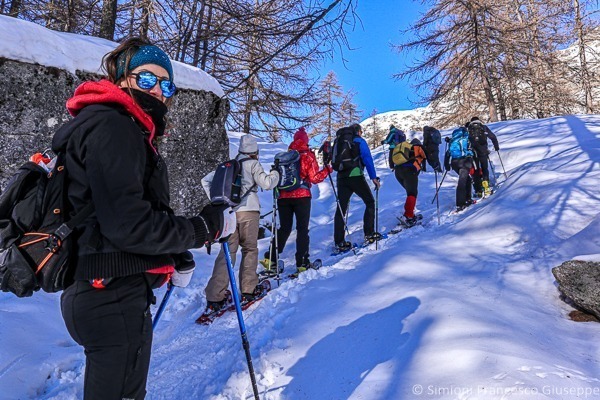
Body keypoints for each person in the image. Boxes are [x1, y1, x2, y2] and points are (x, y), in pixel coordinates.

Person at [55, 38, 234, 400]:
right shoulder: (115, 127)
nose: (158, 91)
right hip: (110, 296)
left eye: (166, 84)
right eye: (146, 79)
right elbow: (129, 227)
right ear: (122, 79)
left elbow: (114, 215)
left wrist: (170, 255)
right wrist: (204, 228)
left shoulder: (114, 126)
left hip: (100, 290)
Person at [202, 134, 279, 310]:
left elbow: (205, 180)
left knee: (228, 252)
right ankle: (248, 290)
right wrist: (275, 173)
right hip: (249, 212)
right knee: (249, 249)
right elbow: (267, 183)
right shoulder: (253, 164)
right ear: (255, 152)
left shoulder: (229, 165)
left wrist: (217, 200)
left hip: (229, 214)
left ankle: (215, 296)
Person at [263, 127, 332, 273]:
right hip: (302, 197)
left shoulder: (285, 156)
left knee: (284, 228)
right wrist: (327, 170)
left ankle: (270, 259)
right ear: (306, 141)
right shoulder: (307, 156)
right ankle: (302, 263)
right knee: (302, 229)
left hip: (283, 197)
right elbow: (314, 178)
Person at [333, 123, 381, 250]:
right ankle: (369, 234)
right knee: (370, 202)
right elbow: (367, 159)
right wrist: (373, 177)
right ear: (358, 131)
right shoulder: (359, 141)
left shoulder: (340, 141)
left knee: (341, 209)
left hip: (341, 177)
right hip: (355, 175)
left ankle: (339, 242)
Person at [393, 138, 427, 226]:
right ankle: (408, 216)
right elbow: (426, 158)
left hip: (398, 172)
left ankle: (410, 213)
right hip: (409, 171)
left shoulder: (406, 150)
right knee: (412, 193)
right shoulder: (417, 148)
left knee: (410, 193)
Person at [444, 126, 477, 210]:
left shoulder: (453, 141)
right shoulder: (465, 139)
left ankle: (467, 199)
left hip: (454, 162)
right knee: (462, 181)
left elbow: (448, 153)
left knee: (467, 179)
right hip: (464, 162)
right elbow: (471, 149)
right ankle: (461, 203)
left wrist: (446, 165)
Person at [467, 117, 499, 196]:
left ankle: (478, 190)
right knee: (484, 168)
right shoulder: (483, 127)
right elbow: (493, 137)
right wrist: (496, 147)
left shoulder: (468, 128)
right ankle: (486, 186)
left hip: (473, 152)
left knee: (476, 170)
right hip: (483, 151)